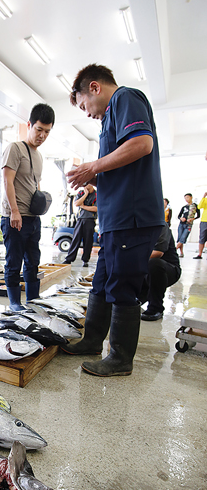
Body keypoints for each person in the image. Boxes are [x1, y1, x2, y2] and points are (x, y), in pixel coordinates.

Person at [62, 63, 165, 377]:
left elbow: (141, 144)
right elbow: (120, 165)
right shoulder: (109, 118)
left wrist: (94, 166)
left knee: (122, 284)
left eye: (84, 105)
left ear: (94, 87)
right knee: (102, 282)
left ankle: (120, 358)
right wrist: (96, 180)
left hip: (130, 217)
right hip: (115, 219)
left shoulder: (125, 98)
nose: (87, 112)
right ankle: (92, 340)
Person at [1, 103, 55, 312]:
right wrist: (14, 211)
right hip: (15, 217)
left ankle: (33, 299)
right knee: (14, 263)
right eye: (39, 129)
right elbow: (7, 181)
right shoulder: (15, 148)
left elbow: (35, 185)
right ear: (29, 125)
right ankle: (15, 302)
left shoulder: (39, 156)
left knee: (33, 262)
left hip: (33, 218)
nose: (42, 135)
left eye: (47, 132)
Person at [140, 224, 181, 321]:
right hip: (143, 272)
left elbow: (158, 253)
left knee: (154, 263)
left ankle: (155, 308)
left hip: (166, 269)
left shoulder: (160, 225)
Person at [63, 184, 97, 266]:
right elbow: (77, 203)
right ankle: (69, 259)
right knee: (75, 239)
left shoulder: (96, 194)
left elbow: (96, 208)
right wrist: (85, 194)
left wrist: (84, 206)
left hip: (90, 220)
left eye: (87, 184)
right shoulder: (81, 193)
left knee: (88, 241)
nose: (85, 186)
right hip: (80, 219)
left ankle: (85, 260)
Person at [176, 193, 199, 258]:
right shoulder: (184, 207)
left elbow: (198, 215)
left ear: (191, 197)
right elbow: (179, 216)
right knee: (180, 238)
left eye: (187, 197)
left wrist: (193, 219)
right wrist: (181, 218)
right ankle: (181, 252)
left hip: (188, 225)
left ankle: (174, 251)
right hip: (182, 224)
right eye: (185, 198)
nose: (186, 199)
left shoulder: (195, 206)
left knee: (183, 238)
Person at [193, 191, 207, 259]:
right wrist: (204, 197)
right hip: (204, 220)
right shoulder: (205, 200)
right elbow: (199, 206)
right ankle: (200, 254)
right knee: (202, 238)